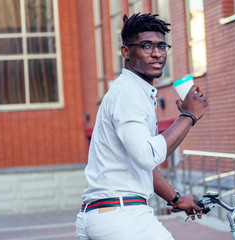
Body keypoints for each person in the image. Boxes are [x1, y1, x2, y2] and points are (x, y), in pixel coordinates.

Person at [76, 13, 208, 240]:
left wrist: (176, 199)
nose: (157, 53)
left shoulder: (134, 92)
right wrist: (188, 116)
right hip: (122, 217)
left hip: (104, 215)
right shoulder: (128, 93)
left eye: (161, 46)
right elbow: (148, 156)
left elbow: (141, 164)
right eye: (147, 46)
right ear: (125, 52)